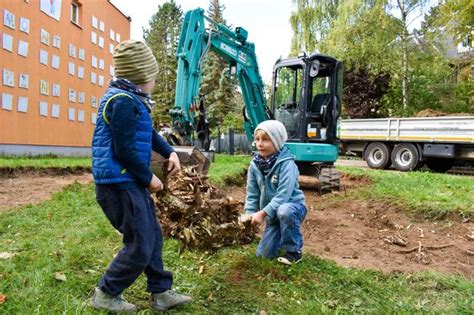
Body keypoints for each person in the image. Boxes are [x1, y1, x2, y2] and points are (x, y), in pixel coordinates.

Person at [90, 40, 191, 313]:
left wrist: (170, 152)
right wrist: (149, 178)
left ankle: (160, 292)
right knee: (140, 243)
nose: (155, 82)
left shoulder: (132, 99)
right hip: (118, 184)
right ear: (140, 76)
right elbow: (123, 151)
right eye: (153, 77)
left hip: (127, 182)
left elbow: (149, 136)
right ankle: (106, 292)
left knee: (153, 236)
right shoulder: (122, 102)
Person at [244, 120, 307, 265]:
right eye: (258, 139)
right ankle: (279, 238)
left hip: (292, 208)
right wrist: (249, 214)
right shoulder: (255, 165)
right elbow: (252, 193)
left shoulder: (287, 164)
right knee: (264, 255)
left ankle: (293, 251)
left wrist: (262, 213)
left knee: (284, 211)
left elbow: (283, 196)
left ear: (277, 142)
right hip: (273, 215)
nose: (260, 143)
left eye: (266, 140)